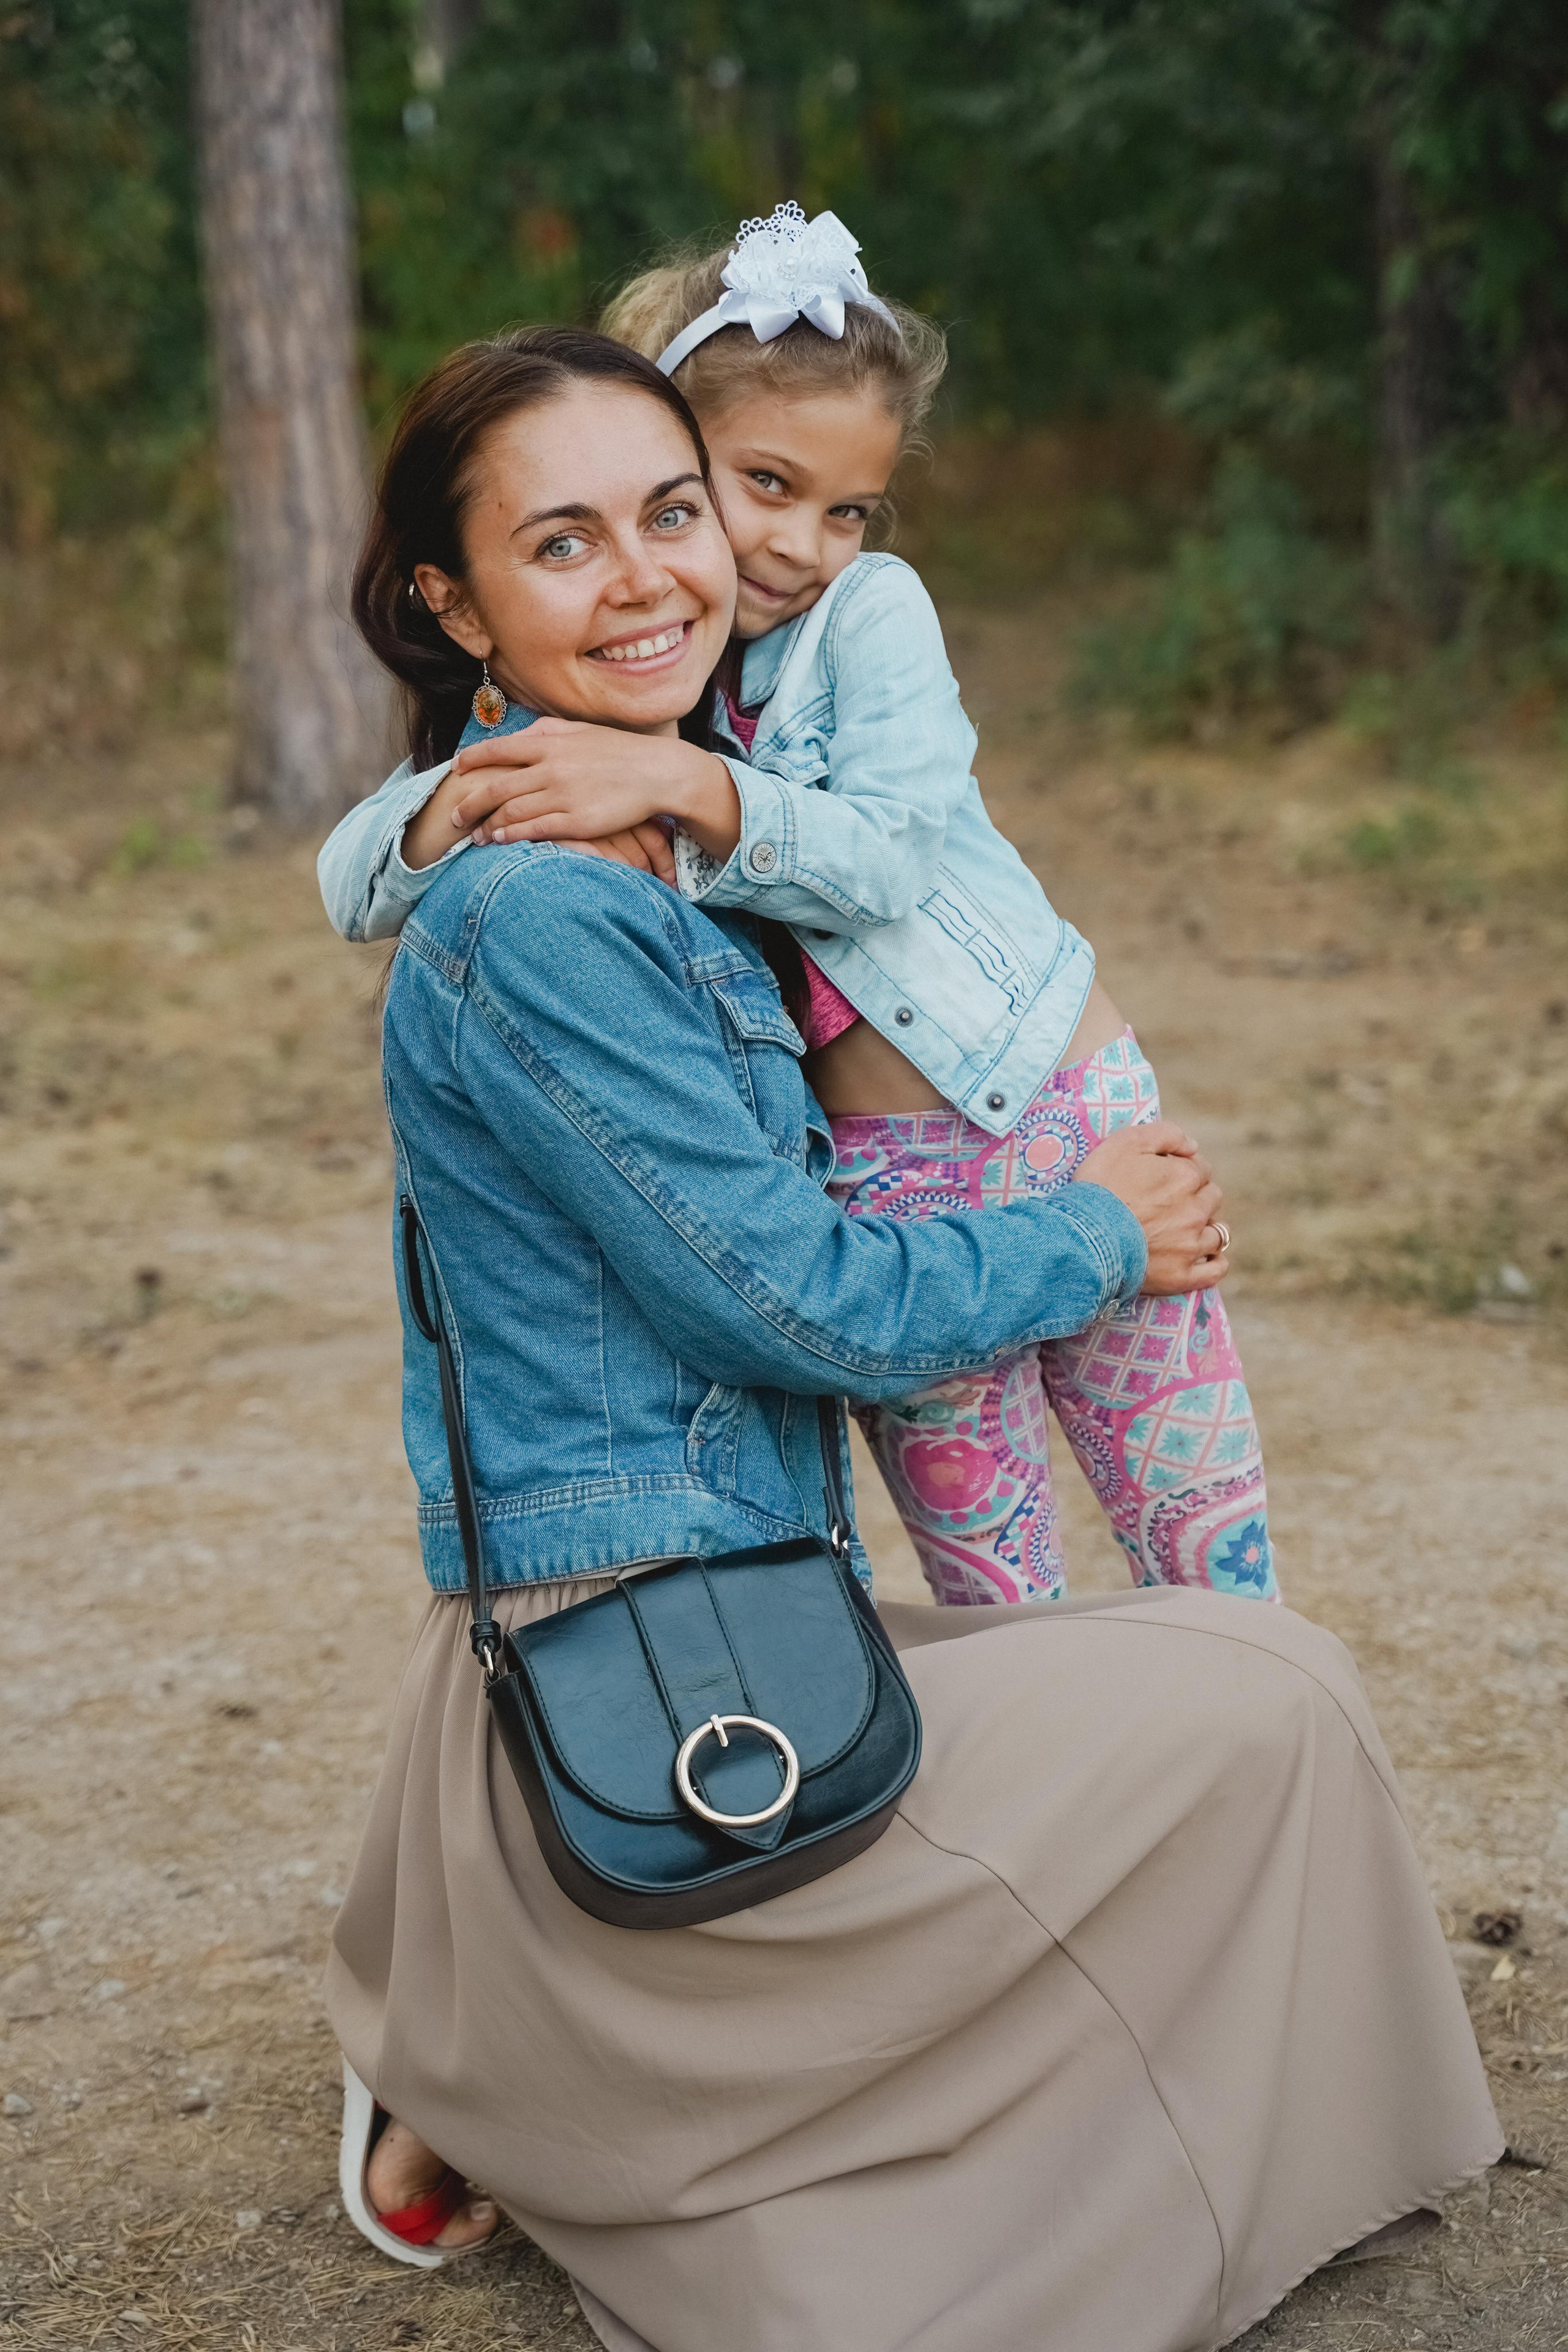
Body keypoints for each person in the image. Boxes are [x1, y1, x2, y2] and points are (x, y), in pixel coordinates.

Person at [323, 323, 1500, 2347]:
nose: (654, 578)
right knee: (1270, 1704)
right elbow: (803, 1303)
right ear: (455, 602)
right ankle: (546, 2060)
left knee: (1212, 1677)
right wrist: (1101, 1233)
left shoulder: (671, 847)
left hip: (727, 1603)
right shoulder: (544, 910)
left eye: (676, 515)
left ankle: (525, 2053)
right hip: (662, 1676)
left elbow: (899, 847)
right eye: (566, 542)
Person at [317, 203, 1273, 1610]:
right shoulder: (640, 682)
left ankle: (1249, 1751)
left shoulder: (862, 618)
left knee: (1203, 1537)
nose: (804, 543)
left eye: (846, 508)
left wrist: (679, 786)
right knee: (990, 1590)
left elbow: (884, 855)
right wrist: (460, 797)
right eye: (756, 487)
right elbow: (349, 882)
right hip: (878, 1177)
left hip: (1045, 1094)